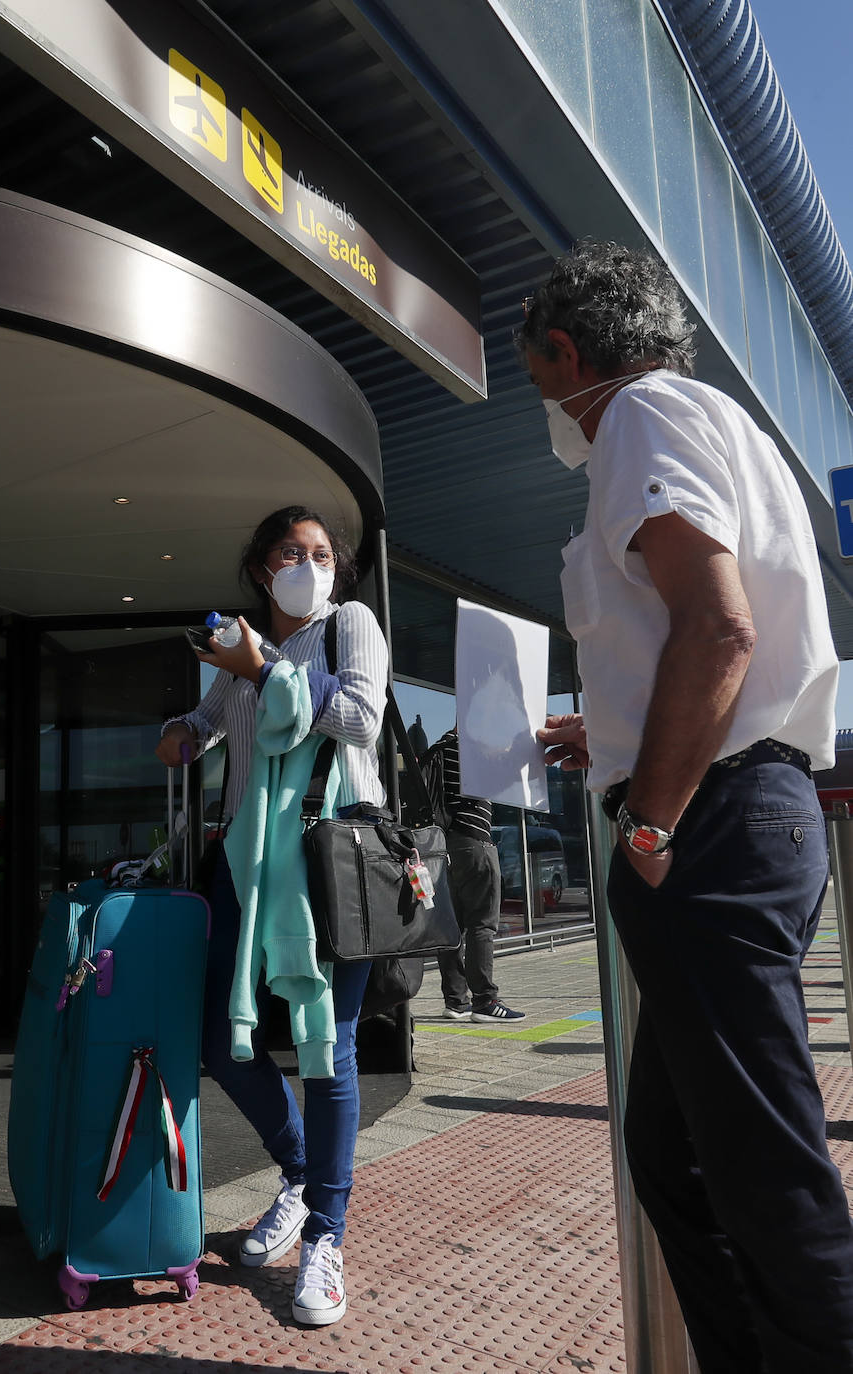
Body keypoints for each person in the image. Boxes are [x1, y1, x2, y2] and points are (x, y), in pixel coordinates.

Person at [518, 242, 853, 1373]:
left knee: (761, 1173)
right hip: (744, 805)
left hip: (708, 826)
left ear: (566, 351)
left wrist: (648, 821)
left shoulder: (638, 422)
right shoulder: (714, 420)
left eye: (539, 376)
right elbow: (700, 636)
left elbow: (718, 631)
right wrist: (606, 739)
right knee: (679, 1154)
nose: (549, 407)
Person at [156, 505, 387, 1327]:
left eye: (323, 553)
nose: (310, 565)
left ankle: (327, 1233)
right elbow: (211, 727)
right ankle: (300, 1173)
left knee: (330, 1046)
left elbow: (362, 716)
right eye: (292, 551)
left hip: (329, 862)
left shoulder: (347, 624)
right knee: (223, 1037)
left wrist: (266, 671)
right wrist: (181, 729)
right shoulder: (244, 647)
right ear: (260, 567)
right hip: (243, 863)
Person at [421, 726, 525, 1023]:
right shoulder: (473, 746)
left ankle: (456, 1001)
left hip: (444, 845)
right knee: (482, 923)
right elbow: (508, 779)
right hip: (474, 842)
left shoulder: (440, 748)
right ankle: (486, 1001)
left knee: (450, 926)